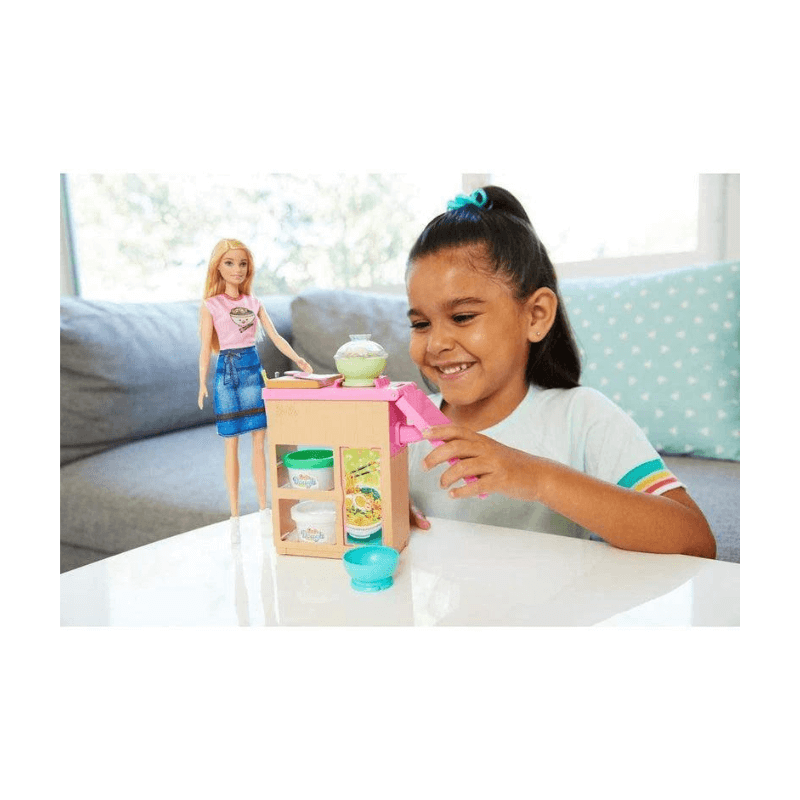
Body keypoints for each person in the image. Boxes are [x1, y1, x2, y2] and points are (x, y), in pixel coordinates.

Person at [405, 187, 716, 558]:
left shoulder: (581, 416)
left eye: (462, 317)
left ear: (536, 316)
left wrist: (538, 478)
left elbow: (694, 540)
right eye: (421, 323)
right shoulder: (407, 423)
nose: (436, 343)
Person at [198, 238, 311, 528]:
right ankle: (234, 513)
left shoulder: (253, 303)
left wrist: (297, 358)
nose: (237, 269)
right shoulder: (211, 305)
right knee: (231, 443)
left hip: (252, 371)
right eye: (229, 263)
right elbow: (204, 348)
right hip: (227, 372)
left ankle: (263, 506)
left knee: (260, 441)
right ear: (218, 267)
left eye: (242, 264)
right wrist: (202, 383)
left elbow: (276, 336)